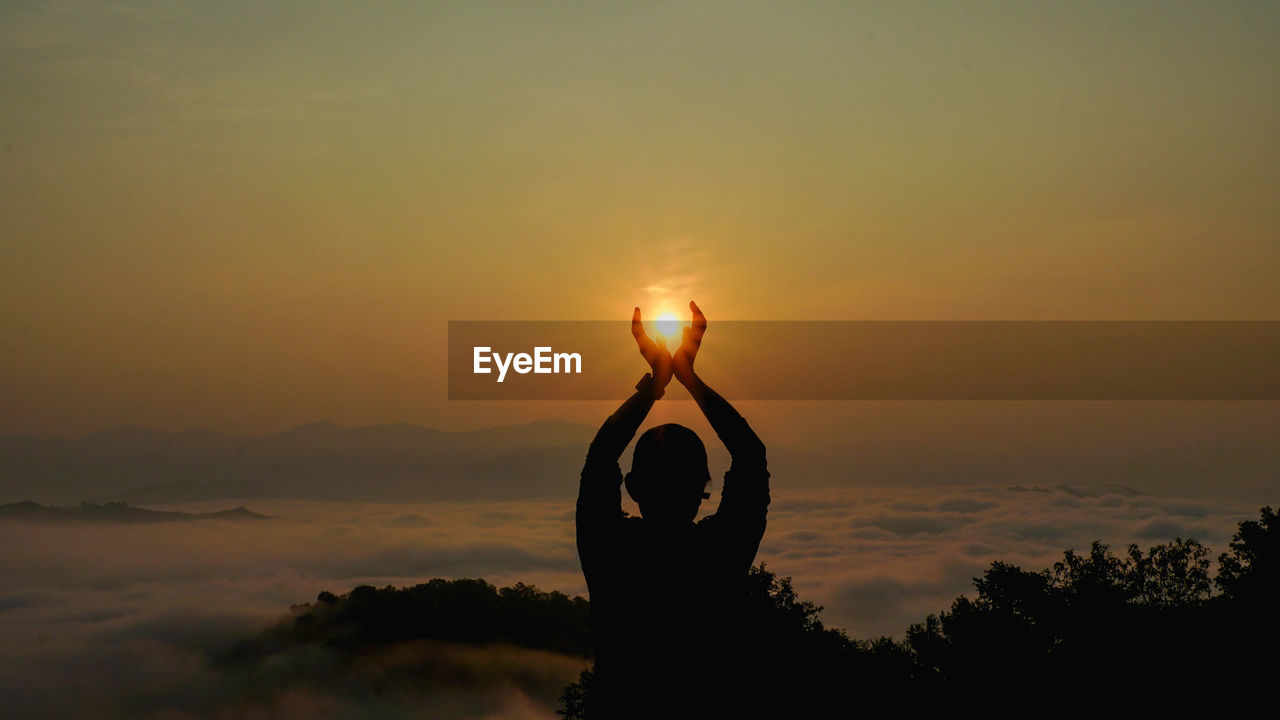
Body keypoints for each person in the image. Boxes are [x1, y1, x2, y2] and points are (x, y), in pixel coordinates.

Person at [576, 301, 770, 718]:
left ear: (630, 487)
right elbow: (751, 457)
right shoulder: (721, 553)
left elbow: (599, 459)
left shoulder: (609, 552)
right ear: (705, 489)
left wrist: (654, 387)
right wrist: (689, 378)